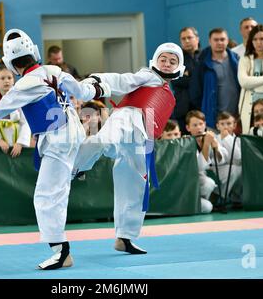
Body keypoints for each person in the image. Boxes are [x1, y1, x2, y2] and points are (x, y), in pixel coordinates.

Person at [0, 28, 109, 270]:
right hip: (75, 132)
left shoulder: (25, 85)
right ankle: (80, 167)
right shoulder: (54, 70)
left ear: (9, 63)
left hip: (58, 141)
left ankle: (61, 252)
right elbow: (82, 92)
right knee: (59, 186)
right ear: (34, 51)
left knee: (46, 197)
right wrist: (98, 86)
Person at [72, 42, 185, 254]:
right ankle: (74, 166)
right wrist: (99, 80)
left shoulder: (168, 93)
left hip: (142, 137)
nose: (167, 64)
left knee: (136, 183)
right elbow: (124, 81)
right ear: (155, 61)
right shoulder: (149, 75)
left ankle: (125, 237)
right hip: (126, 118)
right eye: (163, 59)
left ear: (179, 66)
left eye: (173, 61)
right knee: (103, 141)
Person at [190, 28, 240, 128]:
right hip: (212, 118)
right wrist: (205, 108)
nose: (219, 42)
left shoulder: (236, 61)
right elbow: (195, 91)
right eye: (216, 40)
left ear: (227, 41)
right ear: (210, 41)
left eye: (222, 39)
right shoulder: (202, 63)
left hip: (235, 117)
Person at [0, 66, 32, 155]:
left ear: (13, 80)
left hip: (17, 145)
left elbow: (26, 122)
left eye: (9, 78)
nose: (6, 81)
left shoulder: (20, 99)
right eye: (2, 78)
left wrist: (20, 143)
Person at [185, 110, 227, 214]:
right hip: (187, 183)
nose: (199, 127)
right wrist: (207, 144)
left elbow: (221, 159)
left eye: (201, 124)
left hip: (201, 181)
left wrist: (216, 147)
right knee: (209, 183)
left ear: (205, 125)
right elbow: (200, 166)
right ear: (188, 128)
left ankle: (199, 202)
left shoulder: (210, 137)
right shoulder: (186, 142)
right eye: (194, 125)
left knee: (208, 205)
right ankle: (187, 204)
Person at [170, 27, 201, 134]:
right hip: (182, 111)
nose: (186, 41)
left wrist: (189, 74)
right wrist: (196, 75)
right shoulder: (176, 59)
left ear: (197, 39)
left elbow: (203, 82)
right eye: (183, 39)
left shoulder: (204, 57)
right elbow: (176, 81)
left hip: (201, 109)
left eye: (189, 37)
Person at [214, 111, 242, 207]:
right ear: (217, 126)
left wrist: (227, 139)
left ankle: (236, 197)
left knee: (238, 169)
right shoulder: (214, 139)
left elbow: (238, 159)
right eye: (222, 124)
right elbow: (217, 160)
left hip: (232, 169)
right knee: (234, 169)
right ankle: (221, 196)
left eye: (229, 123)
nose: (225, 127)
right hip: (217, 169)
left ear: (234, 125)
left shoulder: (238, 140)